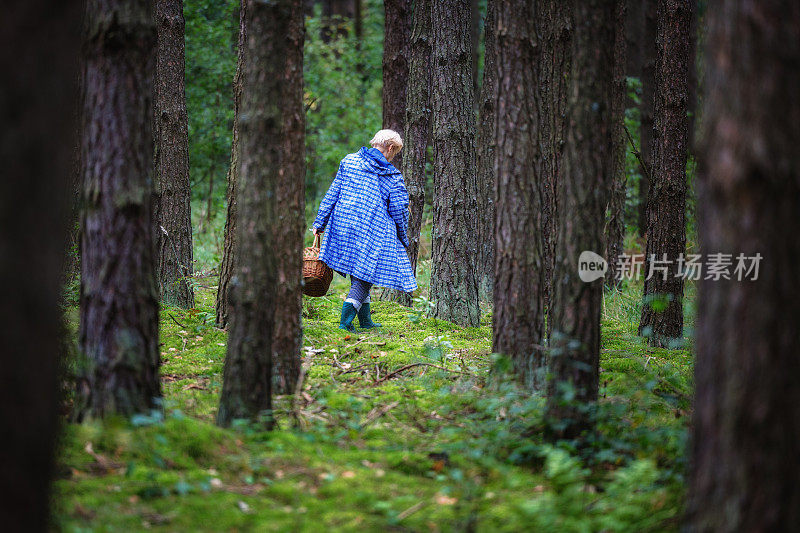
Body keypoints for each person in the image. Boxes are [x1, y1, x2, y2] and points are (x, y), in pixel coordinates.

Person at [312, 129, 417, 331]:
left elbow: (333, 192)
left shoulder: (349, 161)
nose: (393, 157)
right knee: (365, 276)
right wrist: (402, 235)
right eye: (394, 153)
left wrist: (320, 222)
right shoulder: (391, 175)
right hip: (372, 230)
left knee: (359, 271)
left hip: (343, 225)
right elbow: (399, 209)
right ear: (390, 147)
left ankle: (366, 320)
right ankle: (345, 323)